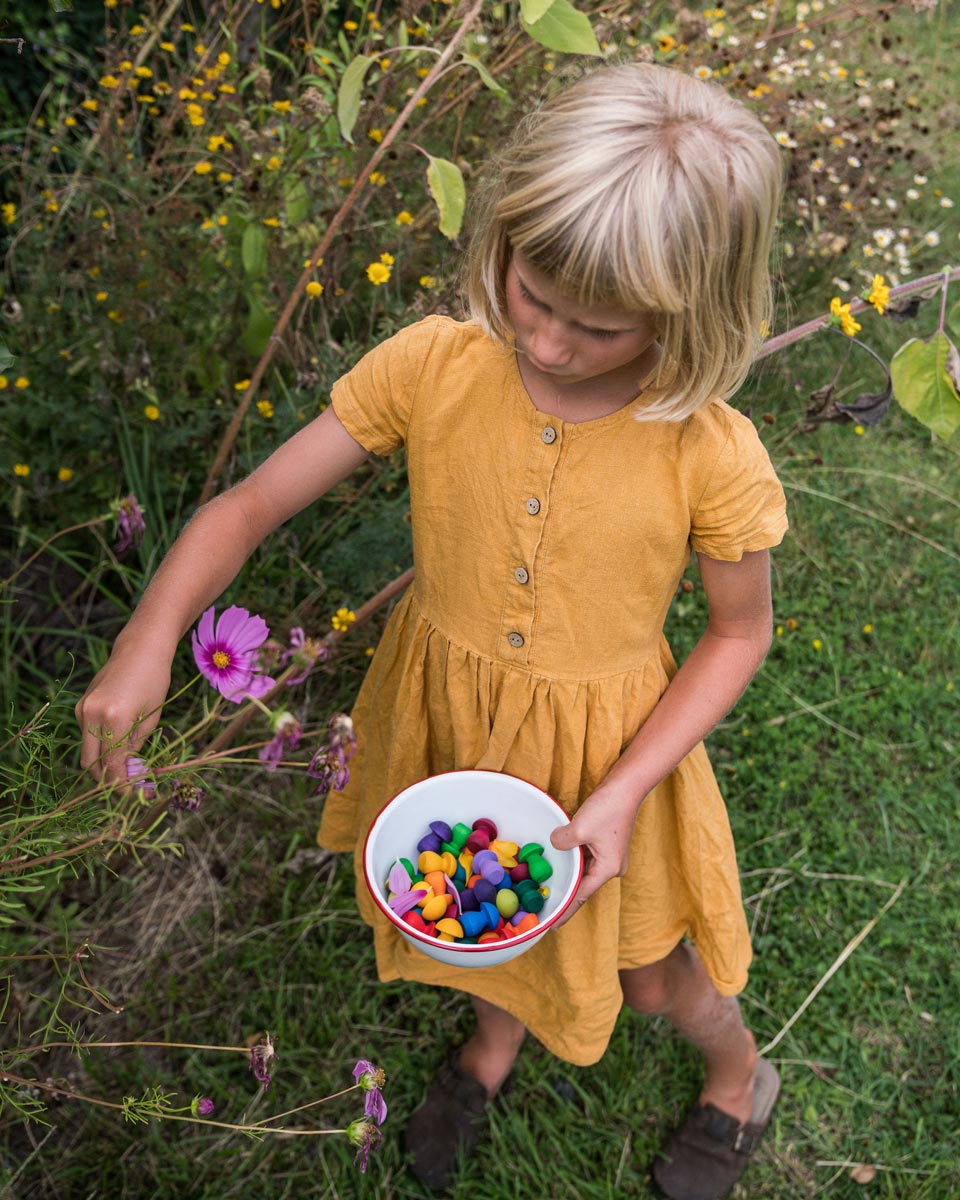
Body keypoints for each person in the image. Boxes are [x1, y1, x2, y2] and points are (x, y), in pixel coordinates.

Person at [76, 62, 787, 1200]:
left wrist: (624, 790)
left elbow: (737, 634)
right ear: (502, 237)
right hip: (453, 719)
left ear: (686, 313)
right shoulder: (436, 366)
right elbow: (251, 503)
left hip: (617, 754)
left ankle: (738, 1071)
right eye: (531, 294)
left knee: (651, 974)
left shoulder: (705, 448)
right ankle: (495, 1040)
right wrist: (148, 637)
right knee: (477, 909)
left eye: (595, 328)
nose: (547, 345)